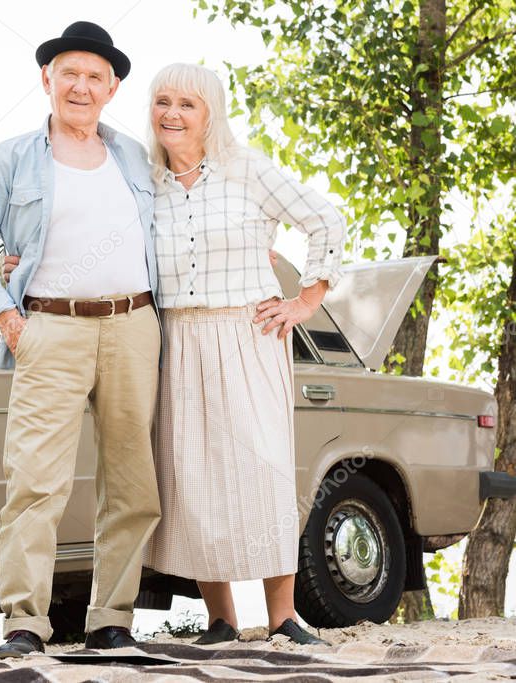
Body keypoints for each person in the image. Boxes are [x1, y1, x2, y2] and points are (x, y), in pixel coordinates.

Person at [0, 21, 163, 659]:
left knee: (132, 485)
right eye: (69, 72)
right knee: (35, 481)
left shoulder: (134, 157)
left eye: (94, 76)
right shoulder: (11, 158)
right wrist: (9, 321)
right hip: (48, 328)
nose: (81, 85)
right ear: (47, 79)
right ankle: (24, 623)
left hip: (135, 326)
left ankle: (112, 620)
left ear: (112, 88)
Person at [142, 62, 345, 646]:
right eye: (163, 101)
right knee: (196, 474)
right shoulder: (145, 181)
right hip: (177, 338)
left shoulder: (247, 169)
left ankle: (283, 616)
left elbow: (325, 219)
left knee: (264, 469)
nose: (172, 114)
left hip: (249, 333)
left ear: (212, 114)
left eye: (187, 104)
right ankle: (221, 620)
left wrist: (306, 300)